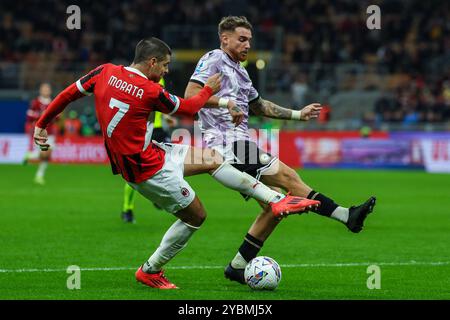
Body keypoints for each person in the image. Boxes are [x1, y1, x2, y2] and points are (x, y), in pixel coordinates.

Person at [33, 37, 319, 289]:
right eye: (165, 65)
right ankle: (150, 270)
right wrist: (209, 89)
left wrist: (41, 124)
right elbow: (189, 109)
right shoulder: (149, 90)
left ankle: (275, 200)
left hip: (151, 152)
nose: (167, 71)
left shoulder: (105, 71)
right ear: (152, 62)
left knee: (212, 158)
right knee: (196, 216)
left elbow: (68, 93)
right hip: (146, 170)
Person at [184, 16, 377, 284]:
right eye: (242, 39)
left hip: (241, 143)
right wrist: (226, 102)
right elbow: (190, 95)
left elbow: (260, 106)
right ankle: (346, 215)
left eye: (249, 39)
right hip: (229, 144)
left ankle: (237, 266)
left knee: (276, 206)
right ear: (224, 38)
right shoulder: (214, 58)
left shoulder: (240, 71)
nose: (247, 44)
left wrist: (299, 114)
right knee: (288, 178)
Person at [121, 77, 178, 223]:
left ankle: (156, 195)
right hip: (144, 130)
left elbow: (157, 103)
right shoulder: (139, 79)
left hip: (158, 129)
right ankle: (127, 208)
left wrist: (166, 116)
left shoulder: (161, 79)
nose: (166, 69)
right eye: (164, 64)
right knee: (135, 171)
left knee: (169, 162)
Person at [23, 82, 59, 185]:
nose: (46, 91)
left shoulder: (53, 102)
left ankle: (39, 174)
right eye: (44, 89)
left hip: (50, 132)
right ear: (41, 90)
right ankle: (31, 157)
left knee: (47, 155)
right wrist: (40, 115)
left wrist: (53, 115)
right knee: (44, 153)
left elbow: (57, 117)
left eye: (47, 89)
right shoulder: (36, 103)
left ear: (50, 91)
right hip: (39, 132)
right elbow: (29, 116)